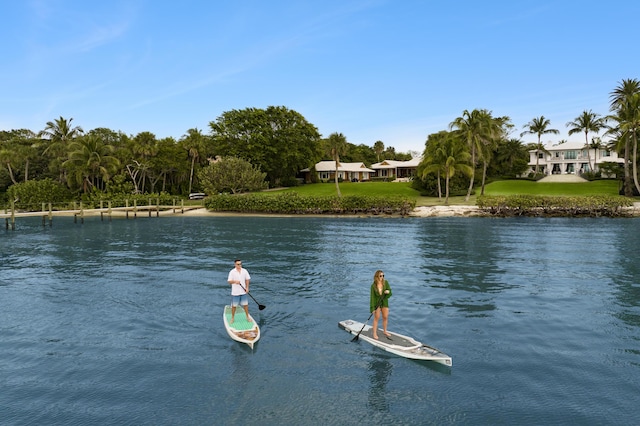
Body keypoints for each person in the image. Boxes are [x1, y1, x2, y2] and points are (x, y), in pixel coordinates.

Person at [227, 259, 252, 324]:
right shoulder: (232, 272)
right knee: (234, 306)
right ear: (235, 265)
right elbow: (229, 281)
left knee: (245, 305)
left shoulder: (244, 271)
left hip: (243, 291)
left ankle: (247, 317)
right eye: (238, 264)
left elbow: (247, 279)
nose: (240, 265)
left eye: (240, 264)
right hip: (235, 292)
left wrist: (247, 288)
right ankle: (232, 318)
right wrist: (235, 281)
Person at [370, 270, 392, 340]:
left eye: (383, 275)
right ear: (377, 276)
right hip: (377, 303)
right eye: (380, 276)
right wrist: (372, 308)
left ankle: (385, 331)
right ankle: (374, 333)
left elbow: (390, 292)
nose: (382, 277)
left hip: (384, 302)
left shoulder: (386, 283)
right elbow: (372, 297)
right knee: (377, 318)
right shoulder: (373, 286)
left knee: (385, 317)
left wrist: (388, 292)